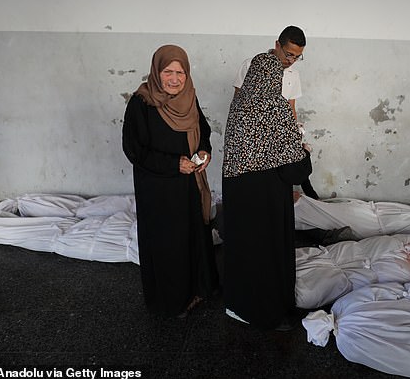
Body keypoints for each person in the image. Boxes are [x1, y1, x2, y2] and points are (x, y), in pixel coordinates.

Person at [122, 45, 219, 318]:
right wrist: (174, 163)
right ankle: (172, 300)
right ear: (156, 71)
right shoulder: (141, 103)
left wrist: (203, 150)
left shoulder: (190, 98)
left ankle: (198, 289)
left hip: (189, 185)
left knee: (192, 236)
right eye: (168, 72)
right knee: (169, 244)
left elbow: (203, 129)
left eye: (180, 72)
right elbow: (135, 150)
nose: (175, 79)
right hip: (159, 190)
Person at [222, 52, 312, 331]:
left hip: (239, 197)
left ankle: (238, 306)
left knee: (244, 252)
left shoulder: (237, 108)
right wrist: (305, 152)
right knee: (268, 254)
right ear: (275, 80)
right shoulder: (277, 109)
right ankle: (267, 312)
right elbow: (293, 170)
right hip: (268, 199)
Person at [233, 25, 319, 199]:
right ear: (277, 45)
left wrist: (295, 136)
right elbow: (238, 104)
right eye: (289, 54)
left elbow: (291, 108)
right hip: (252, 142)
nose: (291, 60)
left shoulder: (293, 74)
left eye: (297, 57)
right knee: (255, 190)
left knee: (276, 189)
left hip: (277, 144)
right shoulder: (252, 65)